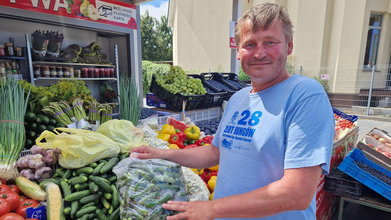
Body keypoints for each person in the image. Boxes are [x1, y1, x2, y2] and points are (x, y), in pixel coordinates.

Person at [132, 2, 334, 220]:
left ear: (289, 46)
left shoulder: (305, 95)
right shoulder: (238, 99)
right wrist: (163, 154)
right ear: (238, 51)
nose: (259, 53)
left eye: (270, 42)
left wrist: (211, 208)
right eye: (250, 44)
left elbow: (297, 193)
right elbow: (215, 153)